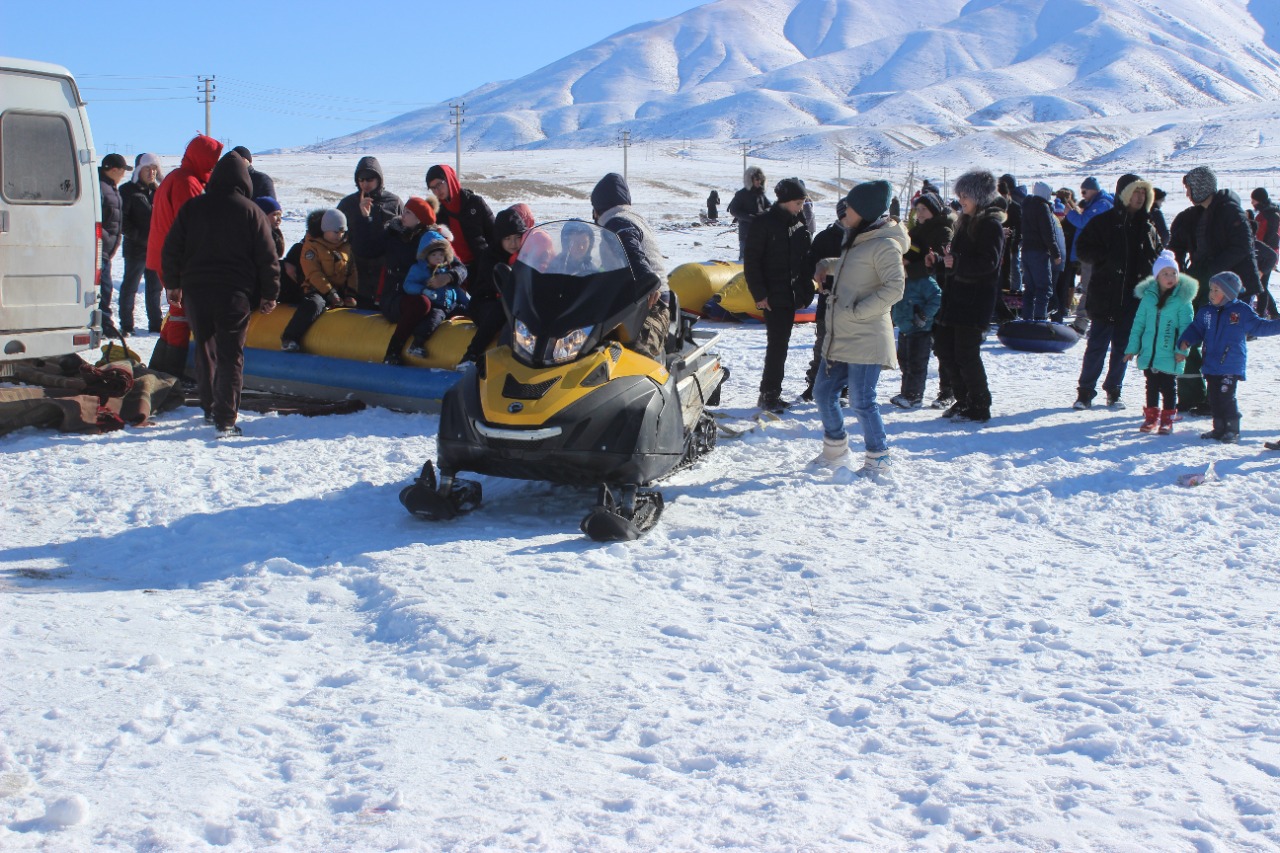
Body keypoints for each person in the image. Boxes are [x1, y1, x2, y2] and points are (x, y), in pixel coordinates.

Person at [160, 152, 278, 437]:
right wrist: (269, 293)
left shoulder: (193, 208)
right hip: (235, 294)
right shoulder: (251, 211)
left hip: (197, 293)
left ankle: (210, 408)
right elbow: (267, 257)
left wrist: (173, 284)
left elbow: (171, 248)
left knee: (205, 350)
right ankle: (225, 418)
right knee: (231, 356)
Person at [812, 180, 906, 477]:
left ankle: (879, 460)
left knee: (862, 400)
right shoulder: (860, 238)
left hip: (865, 335)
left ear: (864, 212)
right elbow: (855, 267)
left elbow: (895, 288)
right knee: (824, 392)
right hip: (843, 333)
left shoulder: (885, 244)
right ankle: (835, 451)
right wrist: (828, 264)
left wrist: (858, 312)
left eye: (849, 209)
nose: (844, 215)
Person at [1070, 175, 1161, 410]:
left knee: (1123, 347)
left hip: (1132, 299)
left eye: (1144, 194)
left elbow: (1158, 255)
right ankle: (1085, 393)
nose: (1140, 198)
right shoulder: (1104, 222)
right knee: (1097, 346)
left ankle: (1114, 391)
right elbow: (1083, 249)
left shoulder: (1148, 227)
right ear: (1124, 194)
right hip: (1105, 295)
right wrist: (1106, 258)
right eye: (1135, 193)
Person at [146, 134, 224, 368]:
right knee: (182, 315)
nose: (213, 164)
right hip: (178, 260)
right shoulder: (188, 183)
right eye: (212, 158)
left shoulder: (175, 177)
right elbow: (192, 227)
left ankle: (160, 367)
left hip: (164, 255)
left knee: (175, 313)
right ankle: (171, 372)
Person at [1176, 271, 1280, 443]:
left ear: (1229, 293)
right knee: (1214, 398)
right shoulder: (1206, 312)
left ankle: (1232, 429)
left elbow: (1260, 326)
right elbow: (1196, 329)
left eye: (1216, 290)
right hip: (1211, 364)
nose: (1212, 294)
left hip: (1230, 365)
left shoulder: (1241, 312)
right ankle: (1219, 429)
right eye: (1211, 289)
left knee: (1226, 397)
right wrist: (1185, 341)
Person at [938, 170, 1005, 424]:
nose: (961, 200)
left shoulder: (990, 225)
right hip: (956, 298)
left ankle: (979, 402)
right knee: (946, 349)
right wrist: (941, 263)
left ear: (978, 196)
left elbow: (988, 263)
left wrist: (957, 261)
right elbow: (957, 263)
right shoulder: (965, 222)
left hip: (975, 300)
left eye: (965, 195)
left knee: (966, 352)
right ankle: (963, 398)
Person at [744, 177, 813, 412]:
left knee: (781, 345)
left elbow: (804, 262)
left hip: (790, 295)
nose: (801, 206)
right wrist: (760, 293)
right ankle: (769, 394)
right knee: (777, 346)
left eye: (803, 202)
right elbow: (752, 262)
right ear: (785, 201)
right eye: (798, 202)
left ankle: (772, 393)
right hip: (772, 296)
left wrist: (806, 291)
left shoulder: (798, 223)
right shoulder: (764, 223)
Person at [590, 172, 672, 359]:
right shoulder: (631, 217)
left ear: (598, 209)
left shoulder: (617, 222)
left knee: (635, 358)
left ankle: (658, 386)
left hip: (651, 305)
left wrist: (646, 281)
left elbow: (632, 250)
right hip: (627, 304)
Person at [1123, 251, 1196, 435]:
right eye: (1165, 274)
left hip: (1170, 352)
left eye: (1173, 273)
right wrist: (1132, 348)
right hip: (1149, 352)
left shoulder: (1182, 300)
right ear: (1157, 277)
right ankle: (1151, 417)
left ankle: (1167, 419)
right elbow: (1138, 325)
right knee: (1151, 385)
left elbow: (1187, 329)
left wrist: (1183, 350)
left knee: (1169, 386)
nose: (1170, 277)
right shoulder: (1148, 298)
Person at [893, 191, 952, 407]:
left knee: (942, 348)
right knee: (912, 348)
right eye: (917, 210)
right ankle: (910, 392)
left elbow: (939, 261)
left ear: (934, 210)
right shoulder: (916, 231)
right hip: (917, 292)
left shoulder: (943, 230)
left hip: (937, 292)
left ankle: (947, 391)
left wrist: (912, 270)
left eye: (924, 209)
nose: (919, 214)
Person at [384, 228, 468, 364]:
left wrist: (468, 303)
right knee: (432, 319)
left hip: (450, 304)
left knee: (468, 312)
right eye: (434, 255)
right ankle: (415, 344)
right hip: (433, 305)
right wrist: (424, 290)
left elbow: (457, 286)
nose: (438, 258)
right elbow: (409, 284)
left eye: (441, 255)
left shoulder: (446, 270)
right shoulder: (419, 269)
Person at [280, 209, 358, 352]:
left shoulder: (346, 247)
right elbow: (313, 273)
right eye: (335, 232)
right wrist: (330, 292)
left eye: (342, 232)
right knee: (313, 304)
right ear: (324, 230)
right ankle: (290, 337)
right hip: (317, 289)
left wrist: (350, 293)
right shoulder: (311, 247)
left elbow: (352, 271)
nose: (339, 236)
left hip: (339, 291)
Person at [461, 206, 527, 365]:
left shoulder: (527, 255)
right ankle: (471, 355)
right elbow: (501, 285)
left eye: (517, 237)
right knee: (501, 311)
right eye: (507, 238)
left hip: (515, 303)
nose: (513, 243)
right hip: (485, 303)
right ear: (499, 239)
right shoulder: (490, 257)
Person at [800, 199, 851, 402]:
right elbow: (810, 266)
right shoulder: (825, 238)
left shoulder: (862, 238)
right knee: (823, 345)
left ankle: (844, 387)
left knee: (847, 347)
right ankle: (814, 384)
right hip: (828, 302)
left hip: (851, 303)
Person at [337, 156, 402, 308]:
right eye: (361, 179)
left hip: (385, 270)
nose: (365, 184)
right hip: (356, 270)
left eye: (370, 179)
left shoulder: (393, 202)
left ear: (379, 179)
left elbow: (405, 232)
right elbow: (331, 231)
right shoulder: (348, 204)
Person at [426, 163, 495, 285]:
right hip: (453, 269)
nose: (437, 191)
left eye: (439, 184)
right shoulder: (437, 212)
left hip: (481, 265)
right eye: (433, 188)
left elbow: (494, 233)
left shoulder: (475, 203)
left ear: (449, 179)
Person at [118, 152, 163, 335]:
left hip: (155, 250)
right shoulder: (127, 191)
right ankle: (127, 324)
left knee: (155, 289)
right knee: (130, 287)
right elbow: (123, 221)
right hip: (136, 249)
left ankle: (155, 324)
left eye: (154, 169)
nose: (151, 172)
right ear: (139, 170)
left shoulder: (158, 192)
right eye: (147, 168)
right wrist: (140, 237)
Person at [1065, 176, 1115, 334]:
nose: (1083, 195)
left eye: (1084, 191)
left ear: (1093, 189)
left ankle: (1081, 323)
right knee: (1093, 288)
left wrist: (1070, 214)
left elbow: (1083, 222)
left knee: (1089, 288)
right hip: (1095, 253)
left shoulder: (1101, 205)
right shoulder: (1098, 203)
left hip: (1095, 254)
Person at [380, 196, 437, 325]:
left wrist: (450, 276)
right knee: (421, 304)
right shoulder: (392, 234)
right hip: (394, 297)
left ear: (418, 219)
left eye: (408, 212)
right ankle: (397, 344)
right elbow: (367, 250)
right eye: (404, 211)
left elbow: (456, 264)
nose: (402, 215)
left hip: (426, 292)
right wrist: (366, 220)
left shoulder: (431, 239)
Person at [1020, 181, 1066, 321]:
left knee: (1030, 289)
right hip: (1039, 253)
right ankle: (1039, 319)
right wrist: (1056, 253)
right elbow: (1048, 233)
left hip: (1026, 251)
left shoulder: (1026, 207)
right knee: (1044, 288)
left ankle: (1027, 319)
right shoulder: (1042, 207)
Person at [97, 153, 130, 336]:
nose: (124, 174)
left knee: (105, 287)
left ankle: (104, 323)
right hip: (99, 247)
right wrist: (103, 237)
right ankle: (105, 325)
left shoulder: (111, 187)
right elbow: (96, 217)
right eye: (123, 170)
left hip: (106, 249)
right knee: (104, 287)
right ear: (115, 170)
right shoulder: (101, 187)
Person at [728, 166, 769, 262]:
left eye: (761, 179)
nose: (759, 182)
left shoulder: (761, 194)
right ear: (750, 180)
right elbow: (733, 210)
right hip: (746, 233)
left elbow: (769, 206)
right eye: (757, 179)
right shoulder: (741, 194)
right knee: (745, 261)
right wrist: (750, 218)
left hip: (761, 234)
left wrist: (765, 213)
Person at [1251, 187, 1279, 316]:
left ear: (1260, 201)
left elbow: (1264, 238)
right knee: (1262, 285)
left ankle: (1262, 316)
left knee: (1260, 286)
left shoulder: (1266, 216)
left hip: (1264, 255)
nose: (1252, 203)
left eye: (1254, 201)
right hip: (1269, 253)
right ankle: (1273, 313)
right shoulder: (1271, 214)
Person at [997, 174, 1025, 295]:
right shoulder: (996, 206)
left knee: (1013, 268)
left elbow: (1019, 227)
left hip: (1011, 243)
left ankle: (1014, 292)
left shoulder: (1015, 206)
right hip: (999, 244)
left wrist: (1015, 242)